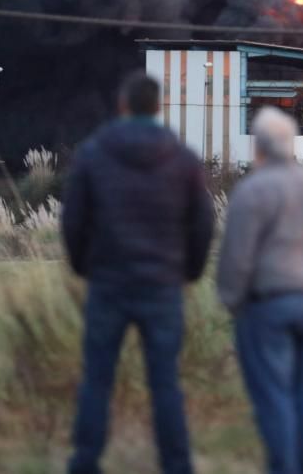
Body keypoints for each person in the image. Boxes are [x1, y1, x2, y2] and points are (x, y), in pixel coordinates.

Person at [61, 71, 214, 474]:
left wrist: (83, 265)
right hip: (162, 286)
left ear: (123, 106)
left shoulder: (93, 154)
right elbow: (202, 222)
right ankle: (177, 466)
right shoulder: (182, 158)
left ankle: (85, 463)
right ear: (159, 107)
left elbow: (73, 219)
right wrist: (189, 270)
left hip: (108, 284)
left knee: (97, 380)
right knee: (165, 384)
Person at [217, 107, 303, 474]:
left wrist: (231, 300)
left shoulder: (251, 191)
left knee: (274, 396)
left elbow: (237, 256)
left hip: (272, 302)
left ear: (259, 148)